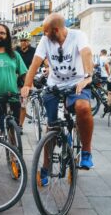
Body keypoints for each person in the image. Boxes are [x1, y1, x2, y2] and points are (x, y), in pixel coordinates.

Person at [21, 13, 94, 183]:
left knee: (83, 108)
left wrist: (88, 76)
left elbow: (86, 52)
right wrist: (27, 84)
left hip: (78, 83)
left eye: (46, 31)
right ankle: (46, 167)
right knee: (52, 128)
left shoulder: (78, 36)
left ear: (55, 30)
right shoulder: (46, 41)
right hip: (54, 86)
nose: (44, 35)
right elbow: (35, 63)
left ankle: (86, 152)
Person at [15, 31, 36, 134]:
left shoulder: (33, 51)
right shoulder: (15, 51)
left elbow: (42, 61)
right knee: (14, 104)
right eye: (22, 41)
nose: (23, 42)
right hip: (15, 80)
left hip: (27, 80)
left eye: (26, 41)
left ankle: (20, 126)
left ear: (29, 41)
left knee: (23, 105)